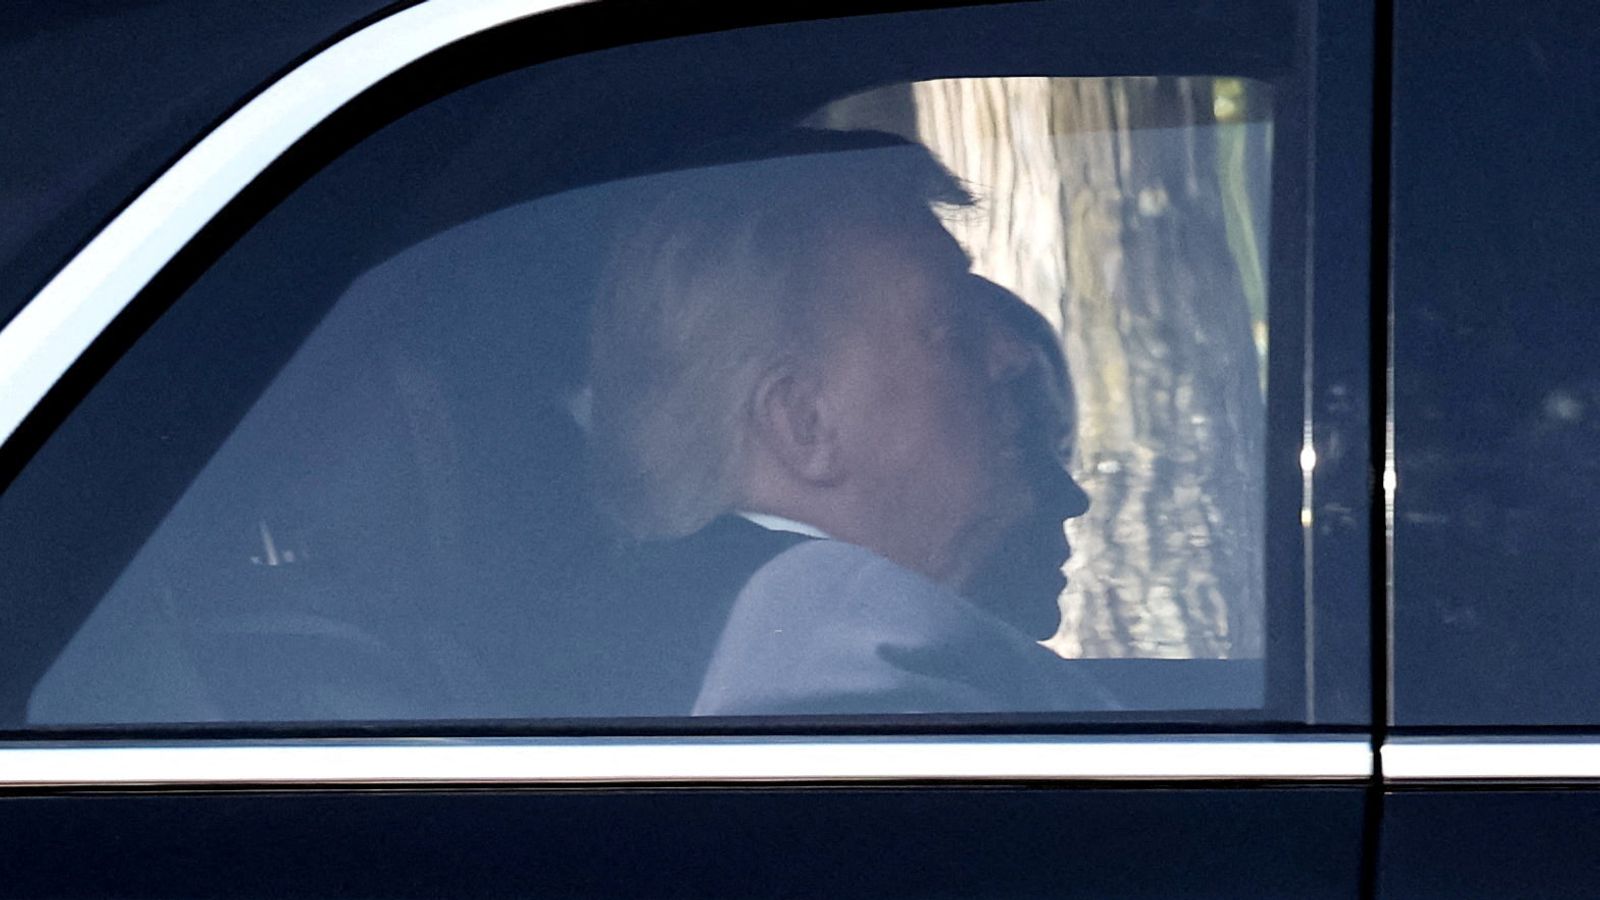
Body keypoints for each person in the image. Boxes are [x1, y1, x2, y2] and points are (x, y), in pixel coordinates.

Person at [586, 130, 1117, 715]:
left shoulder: (651, 635)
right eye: (952, 329)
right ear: (804, 423)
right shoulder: (851, 645)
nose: (1012, 355)